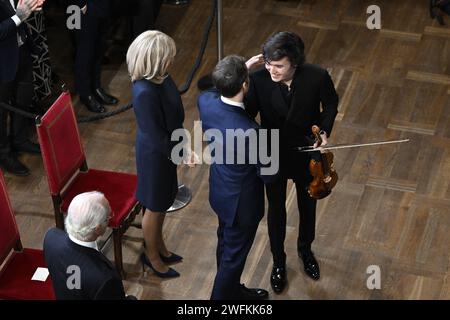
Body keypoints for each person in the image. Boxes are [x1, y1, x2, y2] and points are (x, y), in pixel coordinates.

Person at [245, 31, 339, 293]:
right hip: (273, 152)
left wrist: (324, 130)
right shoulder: (259, 78)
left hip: (306, 151)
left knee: (308, 205)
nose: (271, 69)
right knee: (276, 209)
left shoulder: (317, 76)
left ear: (294, 63)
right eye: (268, 64)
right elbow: (247, 115)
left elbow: (330, 103)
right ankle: (278, 261)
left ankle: (305, 251)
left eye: (278, 66)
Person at [198, 55, 276, 300]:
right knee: (233, 259)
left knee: (225, 243)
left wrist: (244, 67)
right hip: (242, 204)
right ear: (245, 85)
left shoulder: (206, 101)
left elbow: (213, 87)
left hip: (221, 190)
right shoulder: (252, 132)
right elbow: (269, 174)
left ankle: (232, 289)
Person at [126, 30, 192, 278]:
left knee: (164, 200)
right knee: (154, 205)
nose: (172, 60)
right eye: (168, 56)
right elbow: (156, 134)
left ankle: (159, 247)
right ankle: (151, 256)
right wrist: (182, 153)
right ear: (154, 60)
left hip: (167, 148)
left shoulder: (162, 77)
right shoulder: (143, 92)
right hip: (155, 155)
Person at [44, 191, 136, 300]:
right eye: (108, 217)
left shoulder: (51, 238)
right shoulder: (105, 278)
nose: (110, 217)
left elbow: (72, 278)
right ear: (97, 229)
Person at [0, 0, 44, 176]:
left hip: (22, 52)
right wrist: (18, 17)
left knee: (23, 99)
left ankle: (20, 140)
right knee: (1, 112)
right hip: (3, 63)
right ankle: (4, 154)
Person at [71, 0, 118, 113]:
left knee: (98, 48)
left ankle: (96, 87)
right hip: (78, 8)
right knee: (84, 52)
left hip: (100, 5)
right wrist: (80, 4)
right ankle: (85, 94)